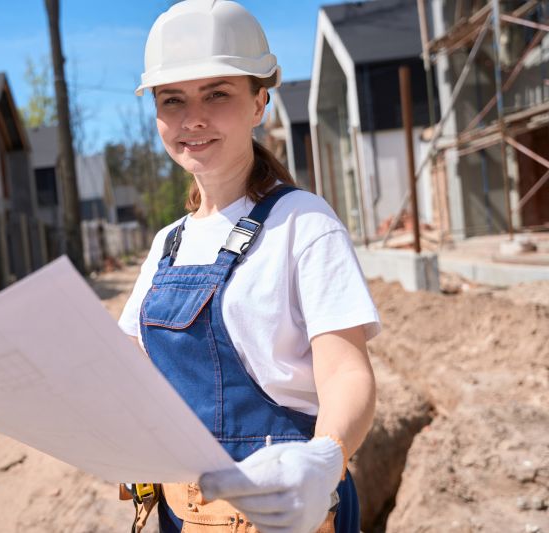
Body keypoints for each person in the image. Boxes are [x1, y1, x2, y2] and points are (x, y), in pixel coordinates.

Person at [117, 1, 380, 532]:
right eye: (173, 100)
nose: (193, 118)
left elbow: (347, 372)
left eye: (217, 94)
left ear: (259, 102)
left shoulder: (303, 222)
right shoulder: (168, 243)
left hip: (286, 513)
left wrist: (324, 459)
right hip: (183, 516)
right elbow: (123, 372)